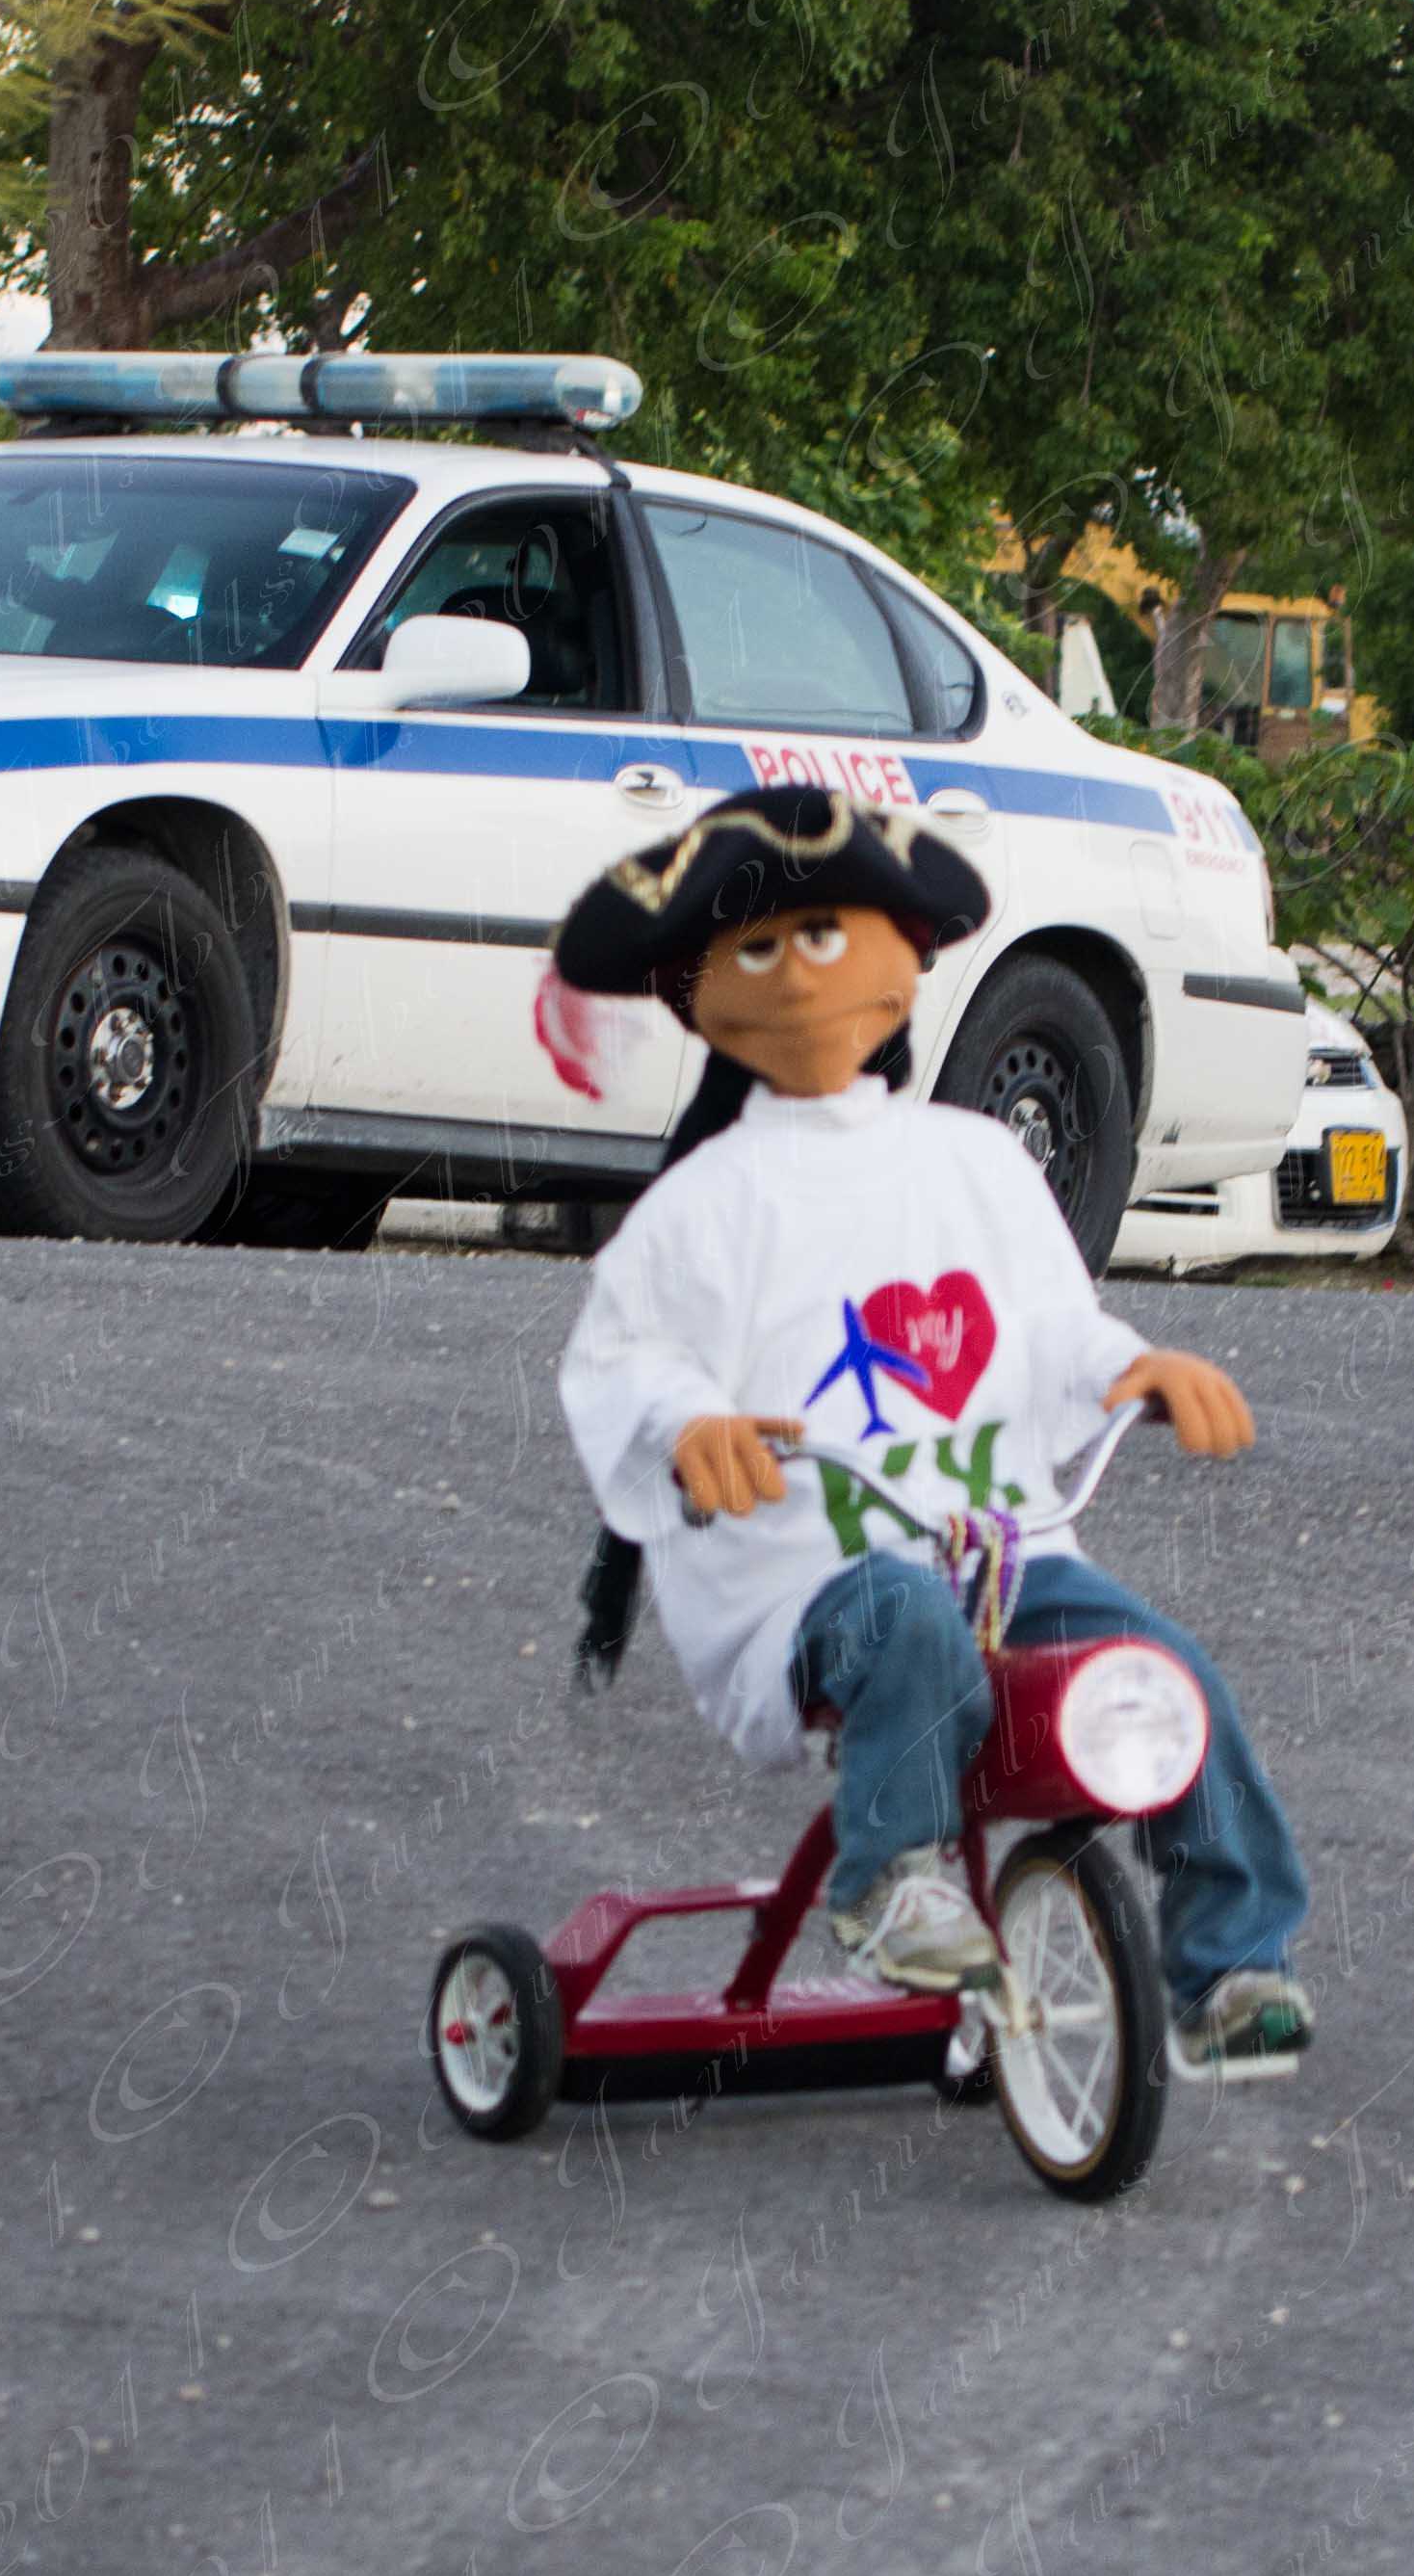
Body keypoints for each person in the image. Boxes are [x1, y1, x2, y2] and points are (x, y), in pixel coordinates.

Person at [550, 785, 1313, 2072]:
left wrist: (1134, 1367)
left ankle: (1232, 1962)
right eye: (757, 949)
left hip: (999, 1550)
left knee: (1162, 1670)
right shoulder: (702, 1201)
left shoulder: (974, 1161)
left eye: (826, 936)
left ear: (906, 962)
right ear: (697, 995)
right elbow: (627, 1354)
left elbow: (1053, 1328)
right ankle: (890, 1879)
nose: (801, 974)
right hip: (805, 1573)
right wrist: (688, 1423)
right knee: (900, 1617)